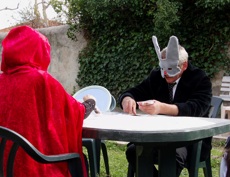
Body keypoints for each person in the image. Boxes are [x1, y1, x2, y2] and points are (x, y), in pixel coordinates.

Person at [0, 25, 97, 177]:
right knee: (79, 159)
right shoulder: (41, 80)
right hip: (37, 167)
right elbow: (75, 112)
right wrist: (91, 101)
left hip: (5, 168)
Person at [119, 36, 212, 177]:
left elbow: (197, 108)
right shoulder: (157, 77)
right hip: (157, 135)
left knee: (172, 155)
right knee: (134, 150)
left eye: (171, 68)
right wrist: (127, 99)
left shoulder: (199, 78)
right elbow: (134, 91)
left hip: (188, 140)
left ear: (184, 65)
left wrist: (162, 108)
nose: (166, 73)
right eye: (163, 68)